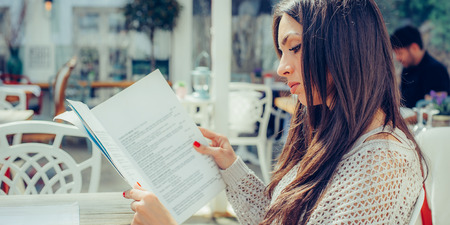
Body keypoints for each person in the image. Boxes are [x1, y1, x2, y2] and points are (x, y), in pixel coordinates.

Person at [123, 0, 426, 224]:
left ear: (345, 47)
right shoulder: (339, 136)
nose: (281, 67)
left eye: (294, 47)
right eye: (281, 52)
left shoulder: (380, 168)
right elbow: (275, 217)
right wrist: (231, 166)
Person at [390, 25, 450, 108]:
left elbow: (437, 108)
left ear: (414, 47)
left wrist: (405, 119)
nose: (397, 58)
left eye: (400, 53)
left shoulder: (436, 70)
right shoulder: (407, 69)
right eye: (395, 54)